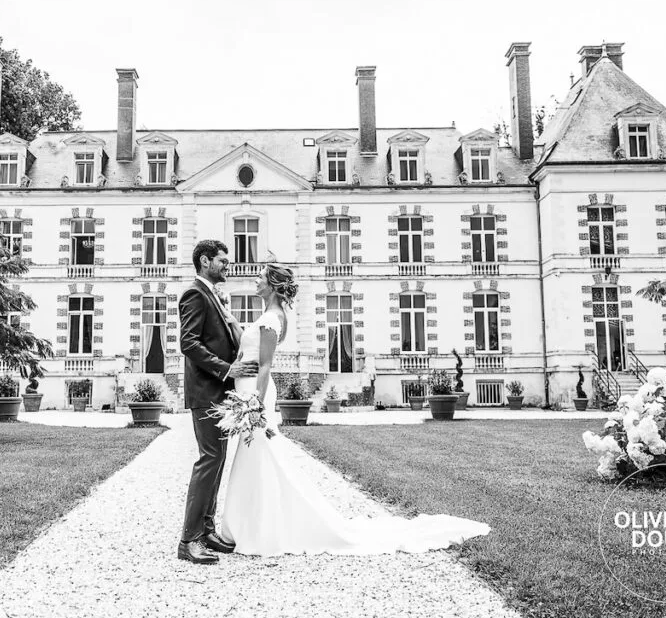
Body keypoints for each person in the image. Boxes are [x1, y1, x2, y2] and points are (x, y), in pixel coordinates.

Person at [218, 263, 491, 556]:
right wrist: (231, 319)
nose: (256, 281)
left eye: (260, 278)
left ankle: (259, 527)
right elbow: (248, 340)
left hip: (254, 394)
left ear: (271, 285)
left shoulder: (272, 319)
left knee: (258, 455)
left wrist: (255, 403)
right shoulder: (269, 316)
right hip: (247, 391)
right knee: (255, 455)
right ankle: (252, 523)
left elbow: (266, 364)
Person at [177, 240, 258, 564]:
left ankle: (207, 529)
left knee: (217, 461)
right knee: (209, 460)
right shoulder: (195, 294)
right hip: (206, 392)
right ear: (205, 260)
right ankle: (189, 540)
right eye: (223, 261)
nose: (229, 265)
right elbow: (189, 343)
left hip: (219, 393)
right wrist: (227, 369)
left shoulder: (214, 294)